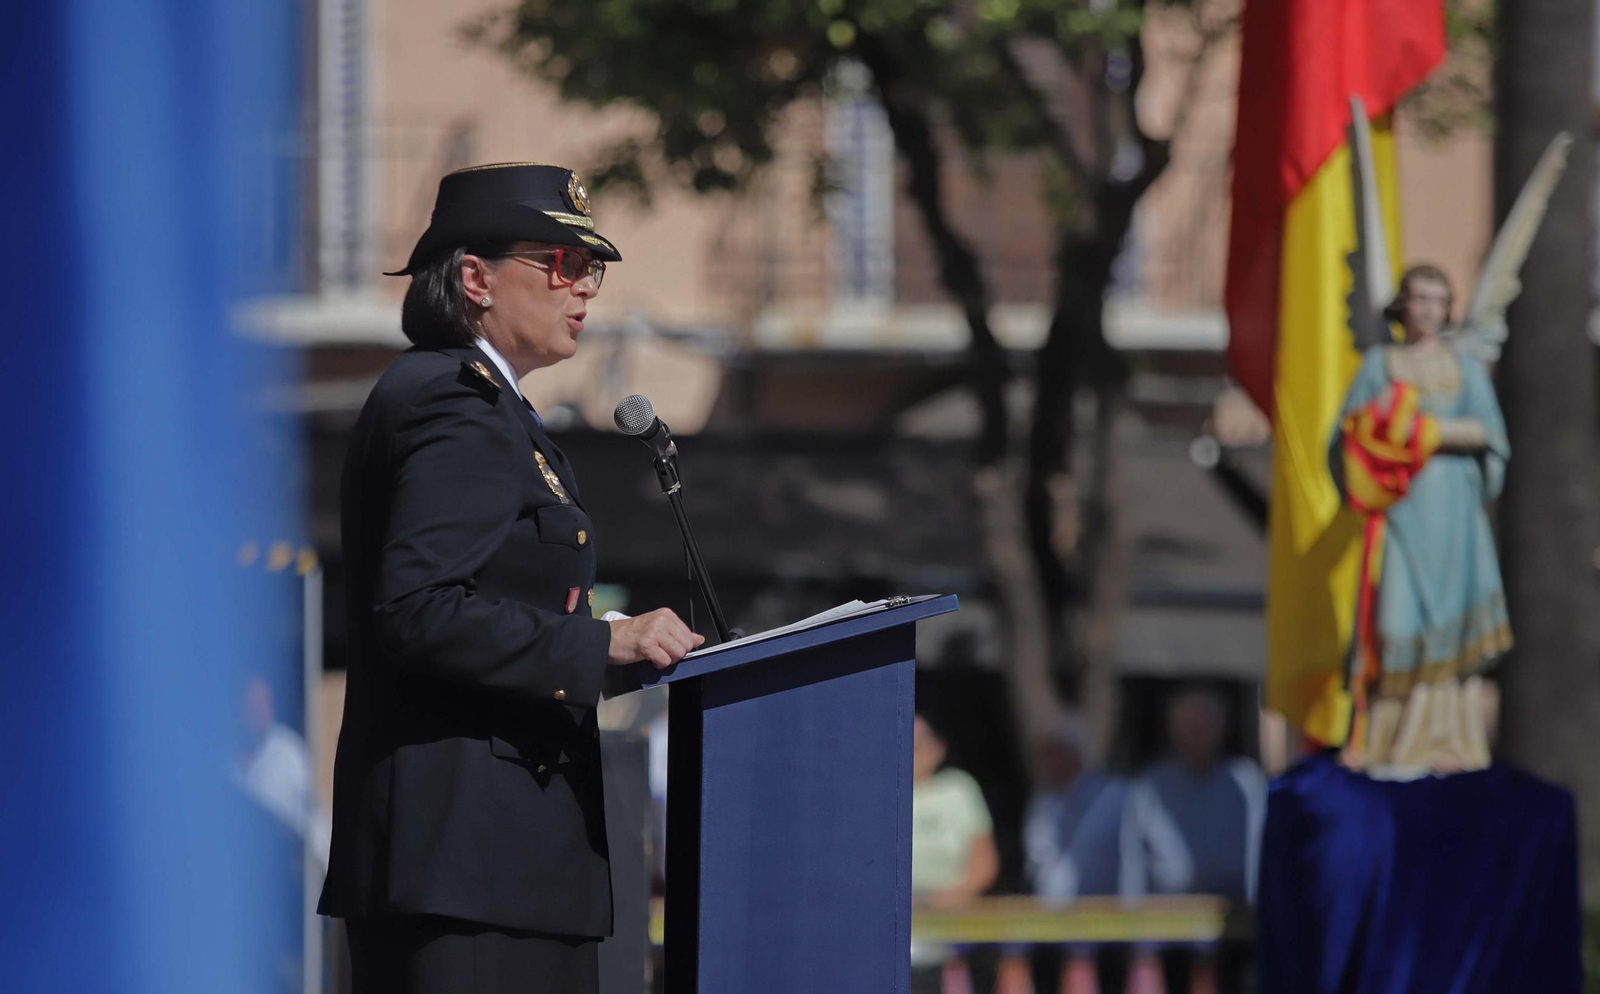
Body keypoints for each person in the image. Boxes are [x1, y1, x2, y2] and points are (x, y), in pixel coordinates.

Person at [318, 162, 703, 994]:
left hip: (499, 864)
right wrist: (600, 642)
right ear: (474, 278)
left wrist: (608, 647)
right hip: (467, 868)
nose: (584, 287)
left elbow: (487, 608)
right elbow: (419, 610)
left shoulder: (493, 408)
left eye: (591, 268)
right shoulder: (454, 403)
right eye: (561, 263)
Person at [1333, 264, 1510, 772]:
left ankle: (1448, 740)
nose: (1429, 310)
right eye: (1420, 298)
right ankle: (1387, 739)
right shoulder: (1379, 366)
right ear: (1402, 305)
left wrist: (1424, 432)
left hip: (1454, 515)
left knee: (1450, 626)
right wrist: (1377, 454)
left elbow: (1491, 434)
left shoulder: (1464, 369)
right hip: (1401, 514)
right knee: (1396, 621)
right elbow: (1347, 438)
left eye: (1439, 300)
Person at [1120, 688, 1265, 904]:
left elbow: (1259, 850)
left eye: (1206, 724)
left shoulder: (1246, 781)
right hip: (1167, 913)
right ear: (1173, 729)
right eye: (1191, 725)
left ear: (1222, 728)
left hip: (1234, 910)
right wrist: (1133, 913)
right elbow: (1133, 860)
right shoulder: (1150, 786)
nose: (1198, 733)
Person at [910, 712, 999, 994]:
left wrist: (936, 902)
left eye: (919, 743)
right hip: (896, 934)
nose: (912, 750)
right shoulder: (878, 792)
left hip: (949, 938)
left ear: (939, 747)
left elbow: (984, 864)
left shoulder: (958, 789)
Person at [235, 676, 331, 869]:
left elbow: (313, 822)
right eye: (254, 706)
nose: (262, 713)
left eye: (265, 704)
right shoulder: (223, 763)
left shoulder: (288, 752)